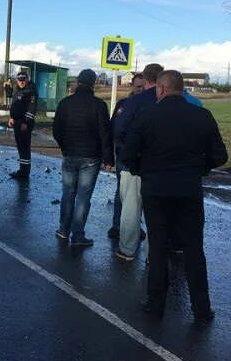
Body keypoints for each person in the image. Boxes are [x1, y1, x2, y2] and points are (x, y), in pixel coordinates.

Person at [120, 70, 228, 321]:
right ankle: (201, 308)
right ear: (181, 88)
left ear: (161, 89)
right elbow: (220, 155)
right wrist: (200, 169)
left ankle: (156, 304)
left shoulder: (148, 116)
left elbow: (127, 155)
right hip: (189, 190)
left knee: (158, 247)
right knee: (193, 249)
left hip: (155, 190)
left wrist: (143, 170)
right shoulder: (202, 116)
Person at [52, 69, 113, 247]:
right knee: (83, 197)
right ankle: (78, 235)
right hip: (91, 157)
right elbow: (105, 133)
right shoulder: (99, 105)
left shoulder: (65, 103)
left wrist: (64, 146)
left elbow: (57, 130)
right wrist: (108, 158)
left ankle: (63, 230)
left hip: (69, 154)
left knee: (68, 193)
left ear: (78, 82)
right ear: (93, 83)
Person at [112, 63, 164, 261]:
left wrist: (128, 152)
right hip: (160, 166)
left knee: (131, 209)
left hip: (133, 165)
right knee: (156, 213)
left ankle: (127, 250)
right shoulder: (170, 102)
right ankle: (153, 254)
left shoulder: (133, 103)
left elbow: (119, 131)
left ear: (147, 79)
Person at [108, 73, 145, 238]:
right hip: (124, 155)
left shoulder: (150, 105)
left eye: (143, 87)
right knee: (121, 193)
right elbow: (113, 129)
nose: (141, 90)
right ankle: (117, 225)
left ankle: (135, 227)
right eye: (138, 87)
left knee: (140, 195)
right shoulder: (124, 104)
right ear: (132, 86)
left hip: (143, 157)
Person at [7, 71, 38, 179]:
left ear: (27, 79)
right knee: (20, 146)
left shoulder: (31, 91)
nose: (21, 82)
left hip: (24, 123)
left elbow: (32, 109)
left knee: (24, 147)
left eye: (23, 80)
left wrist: (26, 122)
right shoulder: (18, 90)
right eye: (19, 80)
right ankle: (22, 170)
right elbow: (14, 105)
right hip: (16, 122)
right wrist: (11, 117)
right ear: (17, 80)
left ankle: (24, 172)